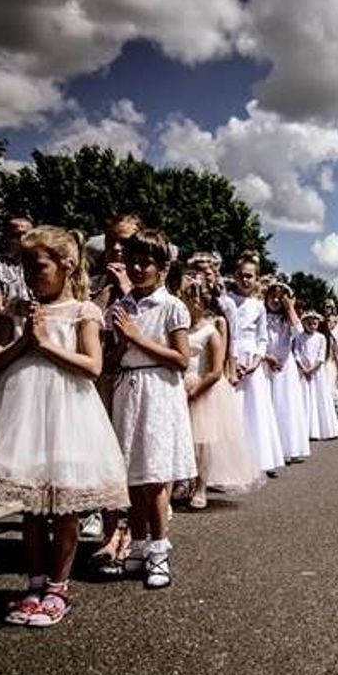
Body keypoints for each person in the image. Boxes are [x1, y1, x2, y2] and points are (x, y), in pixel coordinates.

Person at [0, 225, 128, 627]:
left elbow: (93, 366)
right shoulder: (18, 309)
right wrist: (24, 340)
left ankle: (59, 586)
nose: (29, 275)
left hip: (68, 413)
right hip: (23, 414)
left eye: (38, 266)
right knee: (30, 507)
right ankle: (34, 582)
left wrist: (45, 345)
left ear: (67, 265)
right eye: (25, 266)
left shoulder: (84, 311)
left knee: (63, 507)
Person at [107, 230, 196, 589]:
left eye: (147, 263)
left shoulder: (172, 306)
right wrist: (120, 343)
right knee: (134, 476)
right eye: (133, 262)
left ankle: (160, 549)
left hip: (159, 390)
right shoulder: (122, 306)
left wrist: (139, 338)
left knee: (156, 475)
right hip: (127, 389)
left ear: (162, 268)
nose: (138, 268)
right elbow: (112, 360)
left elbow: (181, 359)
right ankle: (139, 543)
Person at [180, 275, 263, 509]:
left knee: (204, 441)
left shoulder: (212, 328)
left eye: (192, 299)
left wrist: (196, 391)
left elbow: (216, 369)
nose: (188, 304)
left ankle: (201, 486)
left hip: (204, 386)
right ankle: (182, 481)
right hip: (180, 383)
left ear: (202, 302)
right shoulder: (179, 326)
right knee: (184, 438)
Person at [229, 252, 285, 476]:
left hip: (252, 361)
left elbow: (262, 338)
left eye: (250, 277)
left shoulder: (258, 306)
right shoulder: (227, 301)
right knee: (234, 410)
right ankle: (232, 461)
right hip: (232, 359)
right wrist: (232, 360)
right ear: (235, 276)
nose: (245, 280)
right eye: (242, 276)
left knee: (256, 410)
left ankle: (261, 458)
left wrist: (256, 360)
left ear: (256, 279)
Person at [264, 281, 311, 464]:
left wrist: (290, 308)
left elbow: (298, 332)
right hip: (265, 362)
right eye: (272, 296)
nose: (275, 300)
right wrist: (267, 356)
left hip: (285, 365)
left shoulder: (286, 318)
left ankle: (287, 448)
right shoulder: (262, 314)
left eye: (279, 297)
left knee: (285, 405)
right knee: (269, 404)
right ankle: (270, 451)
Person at [295, 310, 338, 441]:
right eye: (309, 323)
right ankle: (305, 429)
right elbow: (297, 353)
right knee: (305, 397)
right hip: (303, 371)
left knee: (318, 397)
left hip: (317, 371)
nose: (312, 325)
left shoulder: (321, 338)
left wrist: (312, 369)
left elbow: (321, 356)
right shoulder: (299, 337)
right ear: (304, 323)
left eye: (314, 323)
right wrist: (303, 368)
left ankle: (321, 428)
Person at [0, 215, 33, 329]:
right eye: (16, 235)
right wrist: (18, 308)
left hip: (39, 330)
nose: (22, 239)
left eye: (27, 235)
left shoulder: (40, 266)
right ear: (7, 237)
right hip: (8, 332)